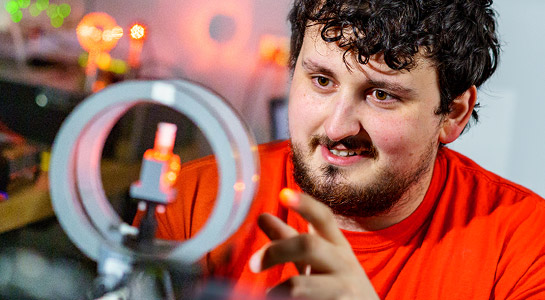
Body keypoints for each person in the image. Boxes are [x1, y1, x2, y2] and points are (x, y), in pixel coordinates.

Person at [150, 0, 545, 298]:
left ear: (454, 113)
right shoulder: (195, 198)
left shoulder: (525, 244)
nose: (338, 127)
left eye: (380, 94)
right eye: (322, 80)